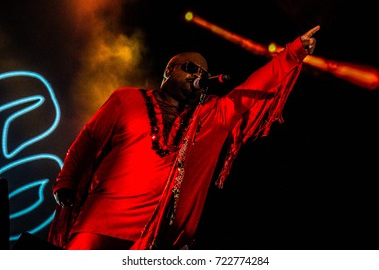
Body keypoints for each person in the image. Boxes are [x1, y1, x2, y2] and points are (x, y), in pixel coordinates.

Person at [48, 25, 320, 250]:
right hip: (100, 222)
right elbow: (89, 139)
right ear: (169, 70)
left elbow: (252, 87)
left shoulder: (211, 115)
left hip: (157, 238)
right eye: (190, 68)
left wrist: (292, 53)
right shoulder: (125, 99)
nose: (197, 76)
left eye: (203, 73)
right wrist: (67, 181)